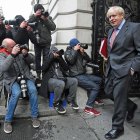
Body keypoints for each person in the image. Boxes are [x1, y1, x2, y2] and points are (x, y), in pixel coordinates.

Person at [104, 6, 140, 139]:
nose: (111, 19)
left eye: (114, 16)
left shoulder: (134, 28)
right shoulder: (111, 31)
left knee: (119, 98)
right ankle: (130, 106)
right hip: (112, 68)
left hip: (125, 69)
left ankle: (117, 128)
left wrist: (132, 69)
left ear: (122, 15)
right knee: (108, 92)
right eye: (109, 17)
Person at [0, 38, 40, 134]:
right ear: (6, 49)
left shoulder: (20, 51)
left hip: (25, 76)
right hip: (12, 79)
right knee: (16, 93)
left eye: (16, 44)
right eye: (13, 46)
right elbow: (3, 67)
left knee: (33, 90)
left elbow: (32, 60)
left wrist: (26, 54)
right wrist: (12, 55)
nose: (16, 47)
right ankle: (8, 121)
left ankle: (34, 116)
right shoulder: (2, 54)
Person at [65, 38, 103, 115]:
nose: (80, 46)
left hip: (83, 74)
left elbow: (89, 60)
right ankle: (88, 108)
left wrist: (83, 53)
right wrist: (75, 50)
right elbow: (71, 61)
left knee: (99, 80)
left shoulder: (79, 52)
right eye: (78, 44)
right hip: (76, 76)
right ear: (74, 45)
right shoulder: (67, 52)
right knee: (96, 87)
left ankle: (93, 98)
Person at [39, 46, 79, 114]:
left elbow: (66, 69)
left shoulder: (59, 60)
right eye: (53, 52)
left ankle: (70, 100)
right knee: (60, 83)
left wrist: (60, 59)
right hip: (50, 82)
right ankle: (56, 103)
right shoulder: (48, 59)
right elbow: (43, 68)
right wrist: (51, 57)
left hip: (61, 80)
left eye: (56, 52)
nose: (55, 54)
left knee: (74, 81)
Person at [28, 4, 56, 79]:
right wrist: (35, 15)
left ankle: (44, 73)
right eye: (39, 10)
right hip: (37, 42)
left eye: (42, 9)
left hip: (47, 41)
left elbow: (53, 27)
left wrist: (46, 20)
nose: (41, 11)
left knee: (46, 58)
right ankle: (38, 73)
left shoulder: (48, 17)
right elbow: (27, 23)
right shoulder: (34, 18)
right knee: (37, 58)